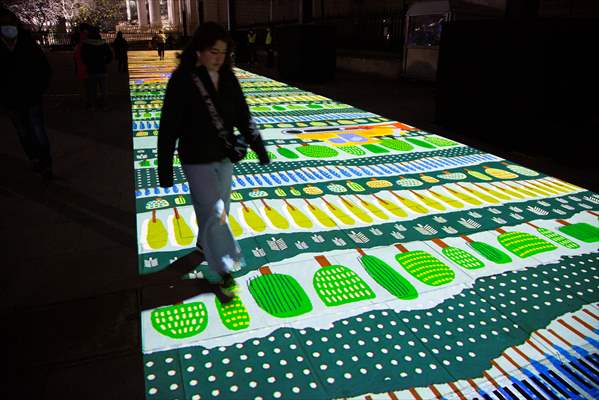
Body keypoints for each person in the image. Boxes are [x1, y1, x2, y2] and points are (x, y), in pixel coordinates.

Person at [157, 22, 270, 302]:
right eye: (212, 51)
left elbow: (243, 115)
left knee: (220, 211)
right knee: (217, 213)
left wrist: (259, 147)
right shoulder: (182, 81)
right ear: (198, 50)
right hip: (196, 159)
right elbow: (168, 126)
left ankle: (202, 244)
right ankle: (225, 271)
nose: (218, 57)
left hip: (223, 157)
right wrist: (164, 166)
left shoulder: (229, 79)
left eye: (223, 52)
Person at [0, 7, 53, 178]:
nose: (8, 27)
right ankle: (35, 159)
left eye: (10, 23)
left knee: (37, 129)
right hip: (11, 98)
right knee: (23, 131)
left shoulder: (27, 42)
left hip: (31, 95)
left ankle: (45, 162)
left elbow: (44, 68)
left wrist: (40, 88)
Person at [81, 27, 113, 110]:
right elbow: (110, 56)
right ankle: (105, 105)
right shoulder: (103, 44)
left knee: (92, 89)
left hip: (91, 70)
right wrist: (105, 62)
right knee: (104, 89)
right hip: (102, 69)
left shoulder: (86, 44)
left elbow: (83, 57)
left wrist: (88, 63)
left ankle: (93, 105)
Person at [73, 25, 89, 104]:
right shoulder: (88, 40)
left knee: (83, 85)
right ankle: (90, 100)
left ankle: (85, 100)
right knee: (89, 85)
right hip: (88, 67)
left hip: (80, 67)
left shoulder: (78, 46)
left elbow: (75, 58)